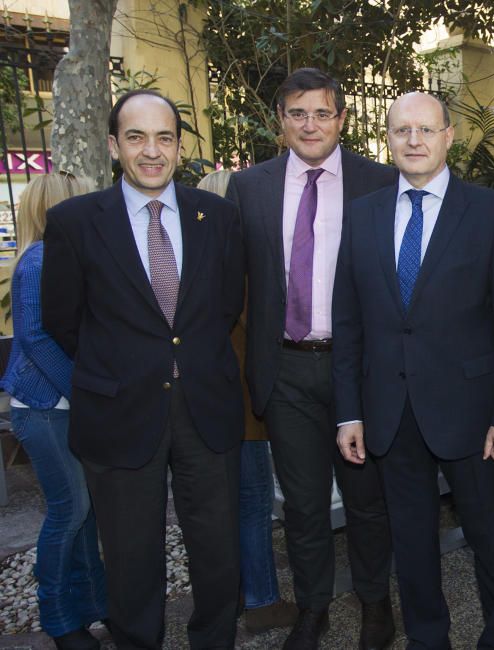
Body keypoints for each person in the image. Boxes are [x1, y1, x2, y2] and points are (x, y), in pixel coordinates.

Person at [41, 89, 246, 649]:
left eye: (164, 138)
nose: (151, 151)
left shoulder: (219, 217)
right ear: (114, 146)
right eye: (136, 137)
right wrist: (125, 365)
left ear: (179, 147)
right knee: (130, 558)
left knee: (217, 551)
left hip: (206, 406)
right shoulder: (74, 223)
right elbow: (63, 320)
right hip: (119, 411)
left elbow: (225, 307)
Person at [332, 91, 494, 649]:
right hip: (391, 411)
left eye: (426, 130)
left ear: (449, 136)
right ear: (386, 139)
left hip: (472, 411)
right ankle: (426, 638)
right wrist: (349, 413)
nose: (413, 140)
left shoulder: (489, 211)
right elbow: (349, 322)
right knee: (411, 541)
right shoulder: (362, 215)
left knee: (489, 533)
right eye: (401, 131)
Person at [225, 68, 397, 650]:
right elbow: (232, 284)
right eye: (298, 113)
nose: (310, 124)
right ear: (281, 122)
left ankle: (376, 605)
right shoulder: (249, 188)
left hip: (361, 368)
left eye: (323, 113)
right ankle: (313, 608)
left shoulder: (381, 181)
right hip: (286, 369)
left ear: (342, 119)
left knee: (367, 500)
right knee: (301, 505)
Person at [0, 172, 106, 650]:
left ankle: (92, 607)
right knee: (70, 512)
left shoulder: (56, 257)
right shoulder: (40, 259)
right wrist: (84, 394)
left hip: (60, 406)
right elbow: (36, 339)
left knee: (83, 513)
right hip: (45, 408)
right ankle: (60, 618)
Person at [197, 169, 299, 633]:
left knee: (226, 506)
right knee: (254, 503)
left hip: (214, 405)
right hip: (244, 405)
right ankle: (261, 599)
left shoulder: (198, 259)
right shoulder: (237, 261)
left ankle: (236, 596)